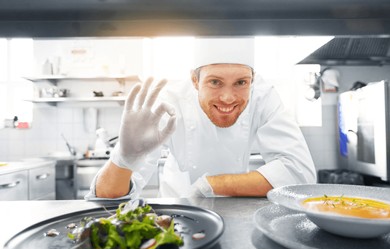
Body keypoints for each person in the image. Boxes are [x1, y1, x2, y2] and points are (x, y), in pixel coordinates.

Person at [85, 38, 316, 200]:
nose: (228, 98)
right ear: (195, 81)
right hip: (176, 214)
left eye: (241, 82)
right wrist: (124, 159)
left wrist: (212, 186)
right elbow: (108, 198)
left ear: (252, 79)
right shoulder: (169, 102)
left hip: (238, 211)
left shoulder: (263, 96)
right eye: (215, 82)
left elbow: (300, 173)